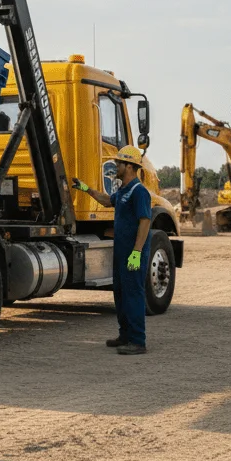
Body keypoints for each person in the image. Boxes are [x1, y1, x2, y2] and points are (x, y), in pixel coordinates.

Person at [71, 145, 152, 355]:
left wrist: (136, 252)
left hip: (133, 254)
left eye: (119, 163)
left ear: (129, 166)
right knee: (120, 293)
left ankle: (138, 341)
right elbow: (107, 201)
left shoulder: (139, 191)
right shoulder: (123, 191)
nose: (115, 166)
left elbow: (145, 222)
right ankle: (125, 335)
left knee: (133, 294)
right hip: (121, 252)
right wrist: (86, 189)